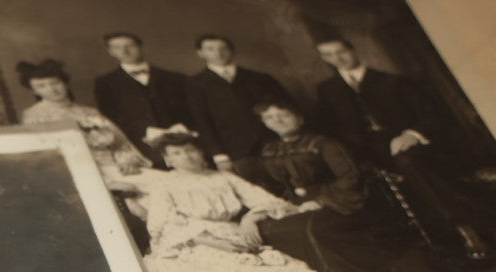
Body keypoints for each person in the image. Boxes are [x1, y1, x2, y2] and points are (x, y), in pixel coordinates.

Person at [255, 99, 496, 272]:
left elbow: (351, 177)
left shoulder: (324, 143)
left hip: (341, 202)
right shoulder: (269, 150)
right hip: (298, 206)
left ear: (298, 117)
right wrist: (283, 205)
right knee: (277, 230)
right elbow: (277, 187)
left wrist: (319, 201)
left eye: (283, 114)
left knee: (313, 229)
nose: (277, 120)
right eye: (269, 118)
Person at [312, 37, 490, 260]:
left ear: (352, 49)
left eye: (341, 52)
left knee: (409, 162)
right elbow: (327, 129)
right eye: (329, 55)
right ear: (323, 59)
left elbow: (432, 117)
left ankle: (463, 228)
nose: (337, 58)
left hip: (408, 147)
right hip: (364, 154)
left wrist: (411, 134)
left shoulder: (393, 82)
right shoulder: (328, 91)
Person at [141, 133, 344, 272]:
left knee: (271, 271)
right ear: (168, 160)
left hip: (233, 232)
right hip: (194, 240)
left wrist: (250, 218)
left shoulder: (223, 177)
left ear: (201, 152)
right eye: (176, 153)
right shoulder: (164, 184)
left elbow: (267, 200)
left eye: (190, 150)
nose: (186, 156)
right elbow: (164, 223)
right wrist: (215, 243)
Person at [18, 60, 154, 188]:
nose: (52, 89)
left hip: (115, 166)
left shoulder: (89, 112)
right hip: (83, 172)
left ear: (65, 83)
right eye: (41, 86)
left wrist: (126, 159)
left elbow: (120, 142)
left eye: (55, 83)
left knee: (160, 182)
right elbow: (46, 154)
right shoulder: (33, 115)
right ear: (34, 91)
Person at [183, 34, 294, 180]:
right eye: (210, 49)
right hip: (235, 152)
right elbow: (201, 121)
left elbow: (289, 109)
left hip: (274, 144)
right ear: (200, 53)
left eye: (223, 48)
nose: (218, 53)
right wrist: (219, 155)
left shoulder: (260, 78)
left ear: (231, 50)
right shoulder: (195, 84)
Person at [92, 32, 193, 165]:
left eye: (130, 46)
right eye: (117, 47)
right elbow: (111, 120)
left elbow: (192, 112)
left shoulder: (176, 78)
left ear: (140, 47)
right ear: (110, 52)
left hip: (184, 146)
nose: (125, 51)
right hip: (140, 150)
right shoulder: (105, 83)